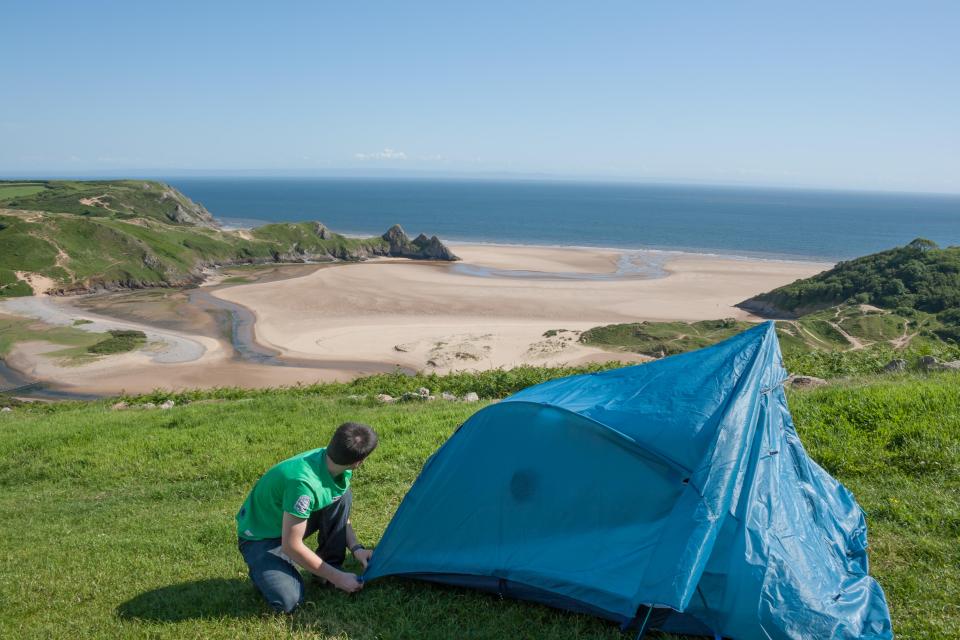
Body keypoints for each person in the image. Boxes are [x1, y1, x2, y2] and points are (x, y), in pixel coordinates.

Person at [236, 421, 378, 613]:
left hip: (289, 522)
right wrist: (339, 578)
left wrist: (356, 548)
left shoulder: (335, 461)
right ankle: (263, 568)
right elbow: (290, 545)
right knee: (289, 601)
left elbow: (339, 510)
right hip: (261, 537)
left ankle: (326, 571)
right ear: (358, 463)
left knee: (342, 496)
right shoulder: (302, 484)